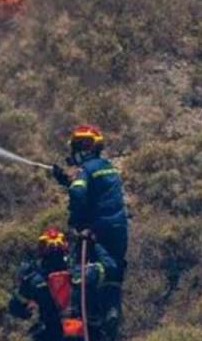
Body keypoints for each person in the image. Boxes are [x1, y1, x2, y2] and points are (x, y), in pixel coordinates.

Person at [50, 125, 127, 336]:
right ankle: (110, 312)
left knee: (83, 274)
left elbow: (78, 192)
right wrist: (65, 179)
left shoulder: (86, 169)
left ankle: (84, 321)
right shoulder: (107, 166)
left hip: (96, 230)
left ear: (83, 147)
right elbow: (95, 191)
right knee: (114, 268)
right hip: (118, 228)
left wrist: (79, 224)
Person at [9, 227, 118, 340]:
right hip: (86, 334)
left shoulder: (34, 281)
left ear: (42, 252)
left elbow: (16, 308)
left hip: (52, 335)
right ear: (65, 250)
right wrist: (93, 245)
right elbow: (111, 267)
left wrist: (26, 311)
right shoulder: (86, 273)